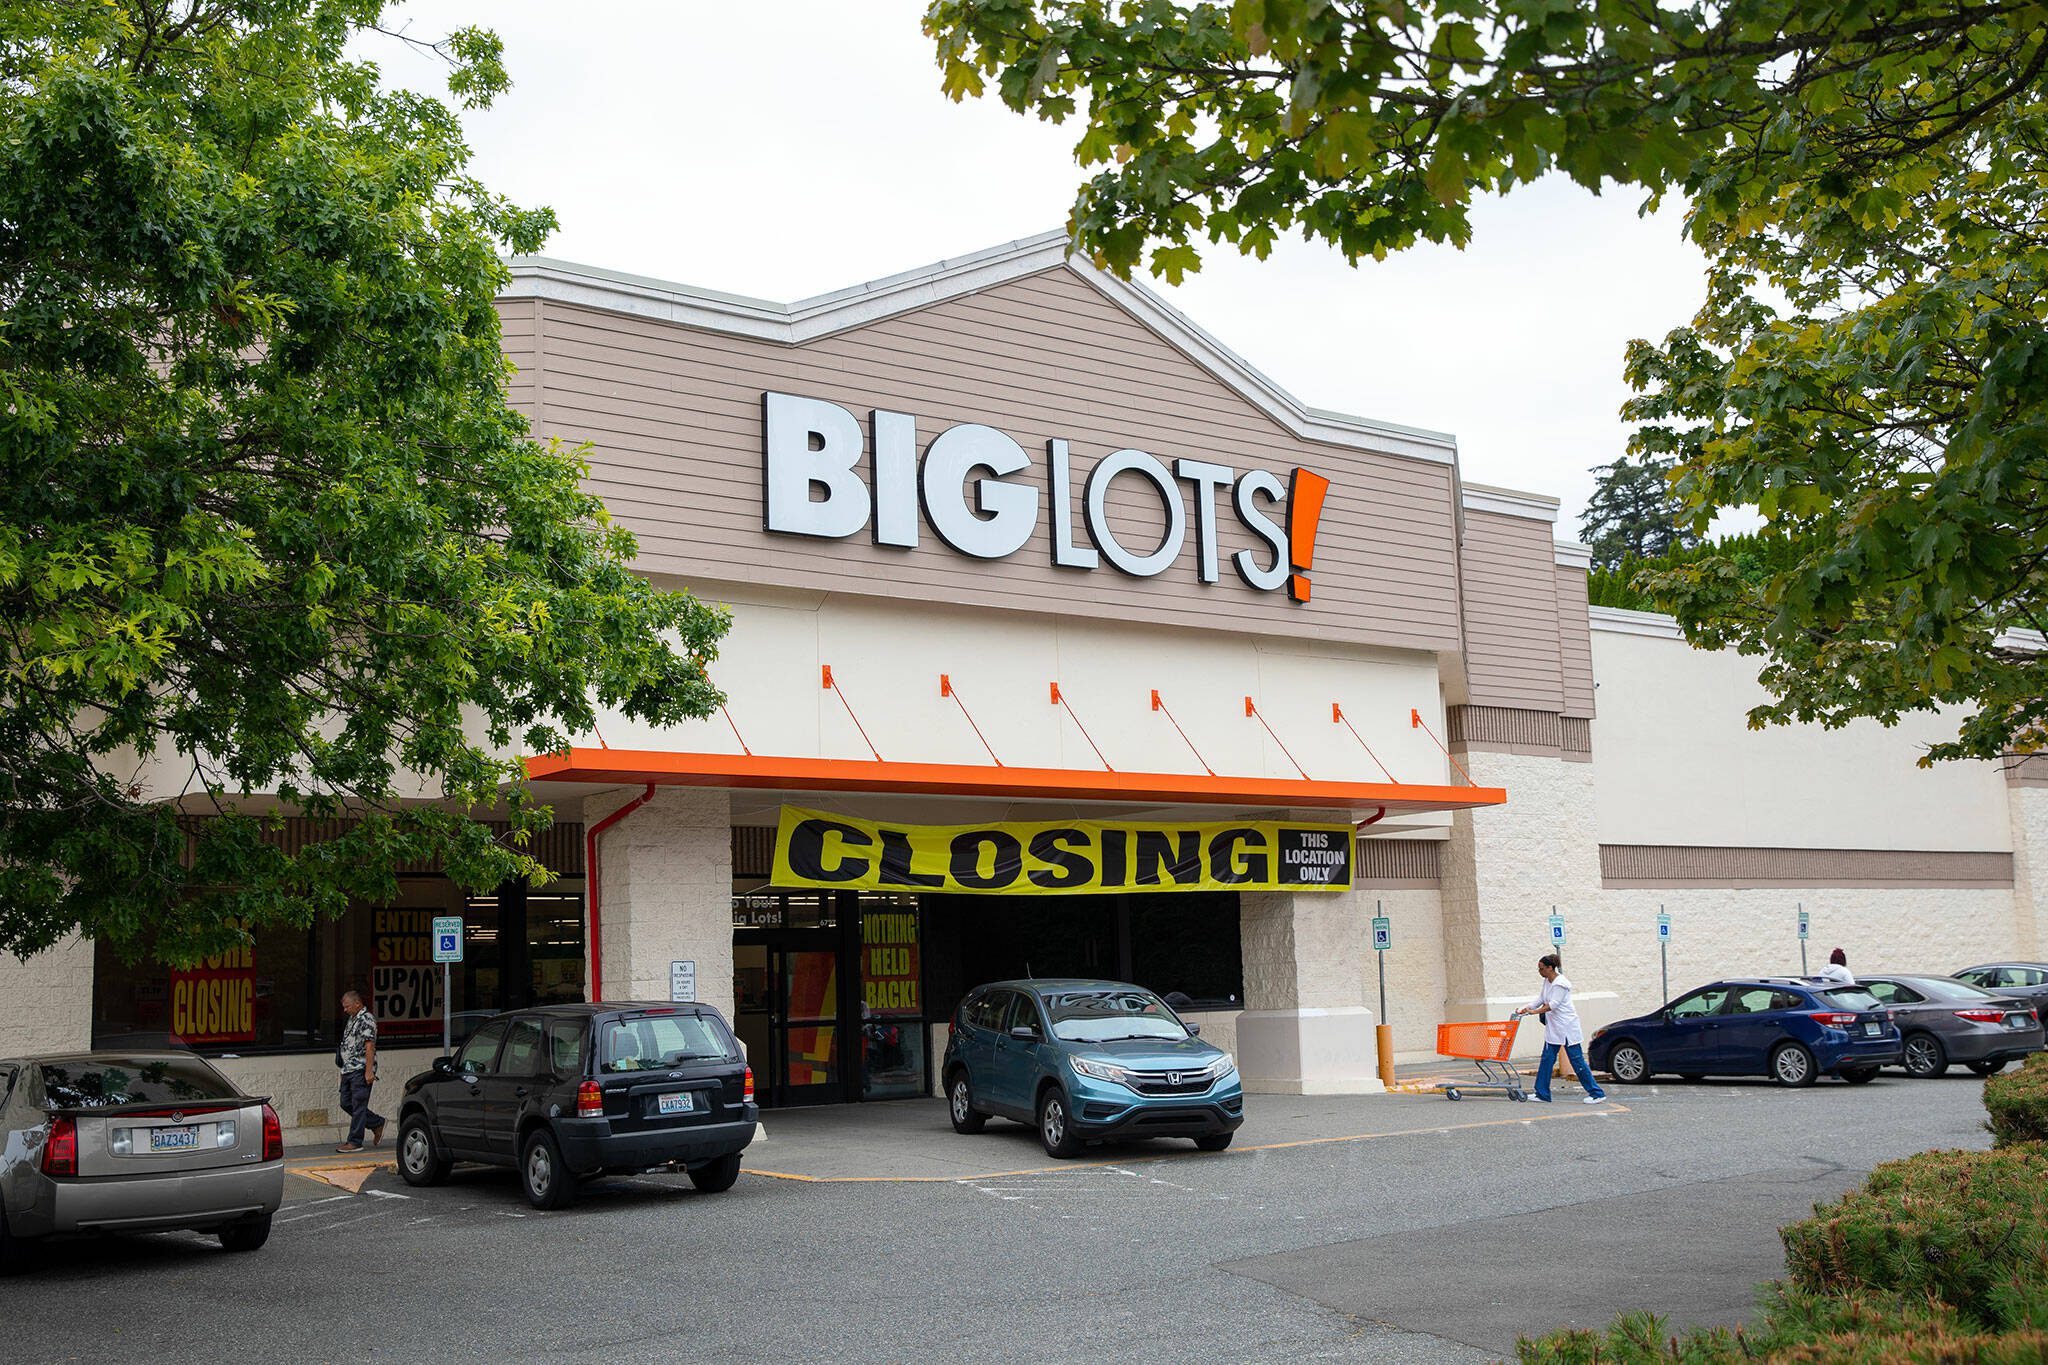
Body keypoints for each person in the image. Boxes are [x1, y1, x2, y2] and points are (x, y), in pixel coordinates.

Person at [1513, 954, 1608, 1105]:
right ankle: (1542, 1093)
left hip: (1567, 1028)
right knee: (1547, 1060)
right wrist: (1526, 1008)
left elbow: (1553, 1005)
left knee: (1577, 1061)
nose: (1539, 971)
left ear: (1550, 968)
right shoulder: (1547, 982)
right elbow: (1541, 999)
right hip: (1554, 1029)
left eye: (1542, 968)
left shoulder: (1560, 984)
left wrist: (1534, 1012)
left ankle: (1596, 1093)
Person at [334, 989, 385, 1153]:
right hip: (348, 1069)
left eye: (347, 1006)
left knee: (358, 1105)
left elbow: (369, 1046)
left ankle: (355, 1141)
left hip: (360, 1069)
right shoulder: (352, 1019)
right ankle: (376, 1122)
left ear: (357, 1003)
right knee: (345, 1102)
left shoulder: (366, 1019)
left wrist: (369, 1071)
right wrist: (343, 1071)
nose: (345, 1009)